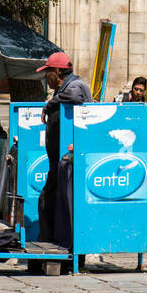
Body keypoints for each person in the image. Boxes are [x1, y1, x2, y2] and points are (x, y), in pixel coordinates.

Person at [36, 52, 92, 243]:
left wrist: (49, 106)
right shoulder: (61, 90)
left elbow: (76, 95)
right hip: (57, 162)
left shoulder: (76, 85)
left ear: (59, 72)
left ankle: (54, 243)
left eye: (48, 72)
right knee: (48, 200)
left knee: (48, 201)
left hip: (71, 163)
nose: (46, 77)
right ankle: (50, 241)